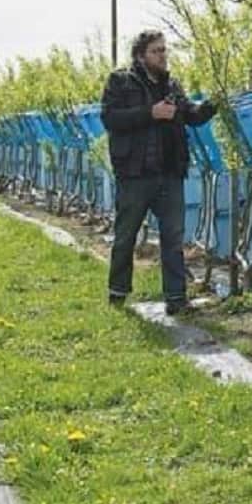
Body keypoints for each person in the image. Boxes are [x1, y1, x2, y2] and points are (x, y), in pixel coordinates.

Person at [101, 30, 216, 314]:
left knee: (173, 239)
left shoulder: (171, 85)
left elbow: (191, 115)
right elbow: (110, 118)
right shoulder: (121, 81)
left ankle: (176, 300)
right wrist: (149, 113)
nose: (163, 55)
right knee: (126, 235)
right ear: (141, 55)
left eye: (165, 50)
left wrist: (214, 105)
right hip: (135, 174)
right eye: (157, 50)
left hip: (169, 173)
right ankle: (117, 295)